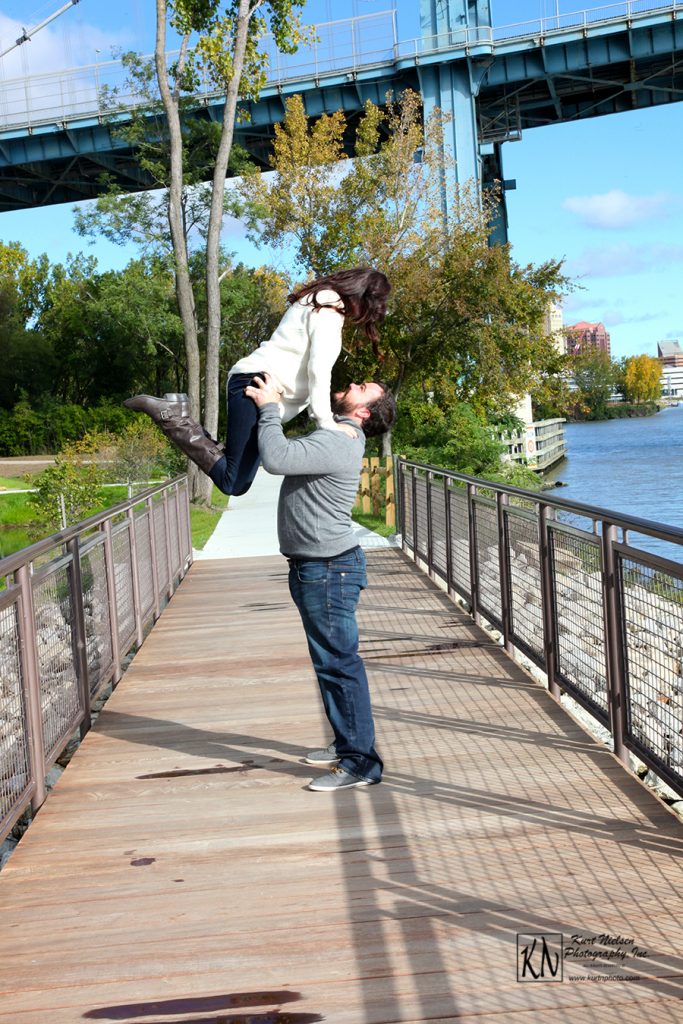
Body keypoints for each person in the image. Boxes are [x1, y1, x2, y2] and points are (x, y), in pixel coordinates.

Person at [246, 371, 397, 792]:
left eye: (365, 388)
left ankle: (361, 764)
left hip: (328, 571)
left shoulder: (338, 439)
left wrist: (269, 408)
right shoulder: (338, 434)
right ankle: (347, 744)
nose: (357, 381)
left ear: (364, 412)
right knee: (329, 662)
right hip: (319, 568)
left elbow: (276, 458)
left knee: (338, 664)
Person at [123, 267, 391, 497]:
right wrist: (326, 423)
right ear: (364, 297)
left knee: (237, 480)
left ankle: (176, 411)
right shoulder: (329, 311)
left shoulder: (321, 302)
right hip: (256, 385)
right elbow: (318, 370)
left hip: (255, 384)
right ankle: (170, 415)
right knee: (234, 482)